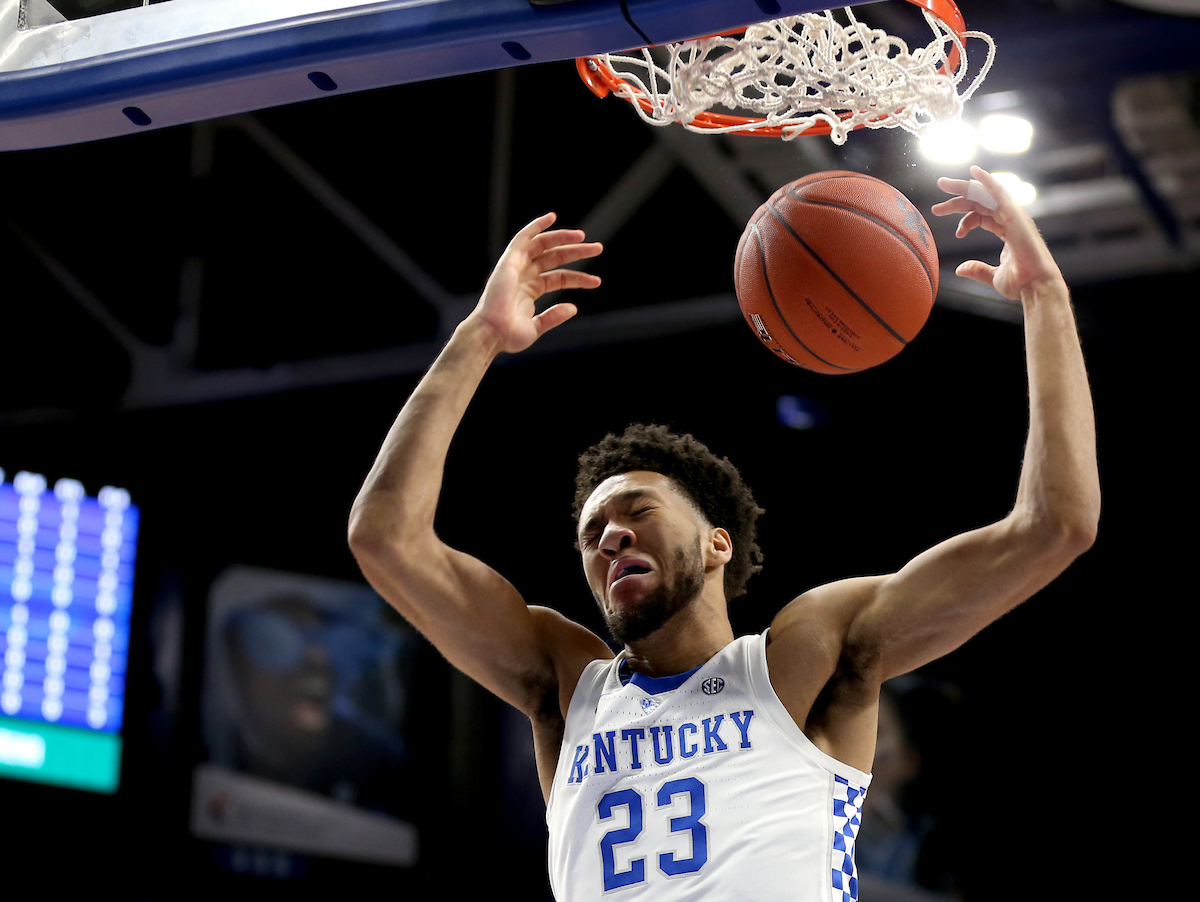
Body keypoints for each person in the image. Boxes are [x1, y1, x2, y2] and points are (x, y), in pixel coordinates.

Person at [347, 166, 1099, 901]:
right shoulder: (567, 683)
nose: (609, 537)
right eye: (591, 533)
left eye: (638, 512)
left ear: (717, 544)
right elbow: (384, 539)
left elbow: (1053, 526)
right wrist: (478, 337)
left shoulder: (803, 656)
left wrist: (1044, 296)